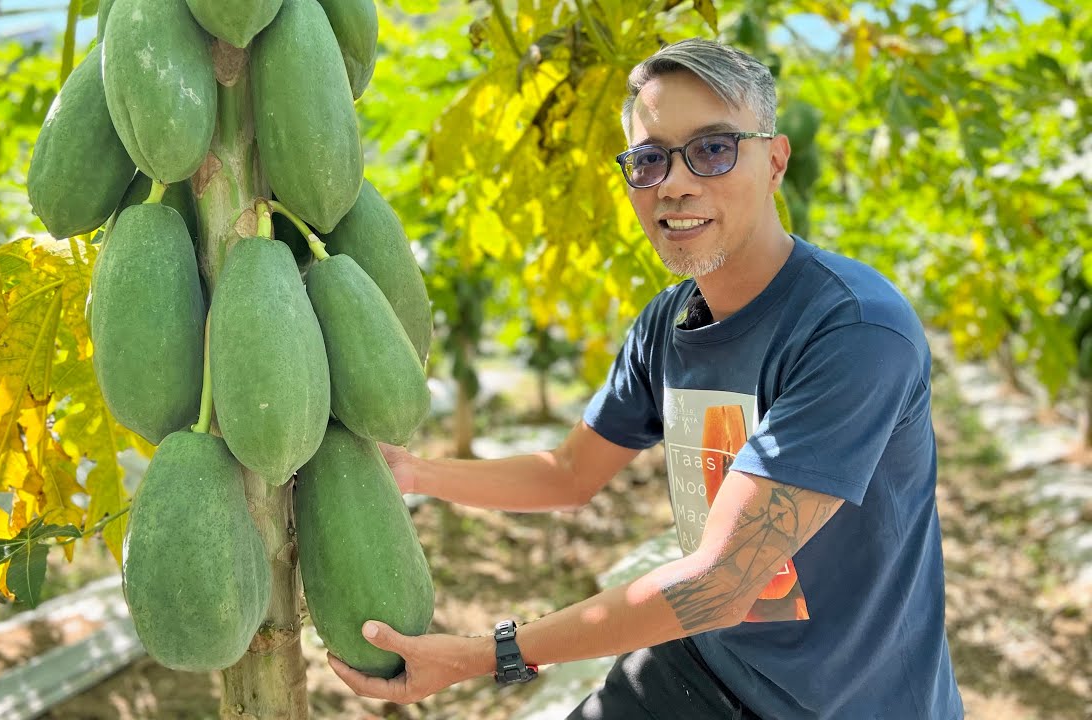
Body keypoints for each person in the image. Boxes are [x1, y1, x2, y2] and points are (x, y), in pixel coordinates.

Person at [327, 37, 964, 719]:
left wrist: (487, 654)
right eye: (650, 159)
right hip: (705, 664)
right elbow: (569, 473)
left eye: (714, 149)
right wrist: (415, 474)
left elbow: (723, 582)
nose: (676, 183)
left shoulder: (854, 331)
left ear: (775, 162)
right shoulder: (668, 322)